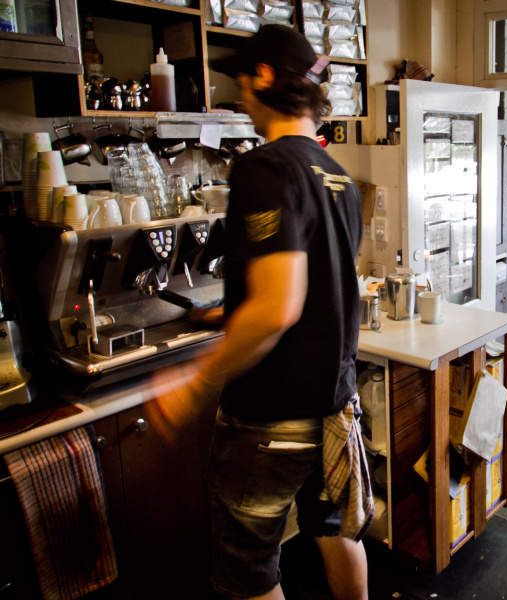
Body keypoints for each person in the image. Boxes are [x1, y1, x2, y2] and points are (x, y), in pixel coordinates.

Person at [145, 25, 370, 600]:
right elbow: (316, 287)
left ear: (265, 76)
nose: (239, 97)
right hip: (335, 406)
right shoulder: (339, 177)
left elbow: (277, 309)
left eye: (242, 81)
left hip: (272, 418)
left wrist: (194, 382)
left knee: (249, 573)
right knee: (336, 532)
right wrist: (230, 314)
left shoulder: (263, 168)